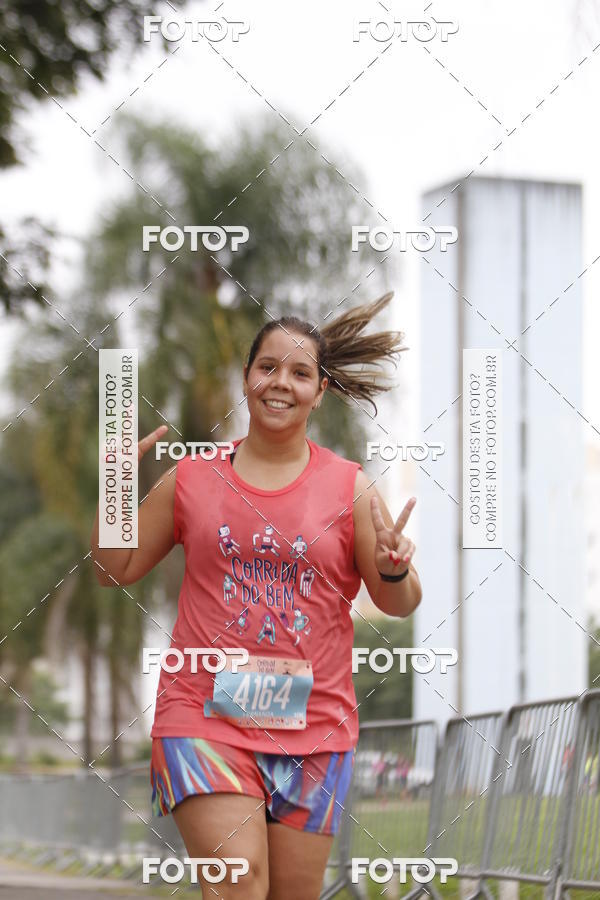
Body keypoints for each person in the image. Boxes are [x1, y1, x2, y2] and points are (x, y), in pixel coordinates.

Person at [90, 291, 422, 900]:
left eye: (300, 373)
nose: (280, 383)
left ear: (320, 391)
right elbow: (115, 568)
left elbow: (398, 601)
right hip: (203, 717)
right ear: (246, 378)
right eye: (267, 366)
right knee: (238, 885)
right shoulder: (192, 476)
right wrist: (115, 488)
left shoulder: (350, 487)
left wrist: (394, 569)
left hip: (315, 729)